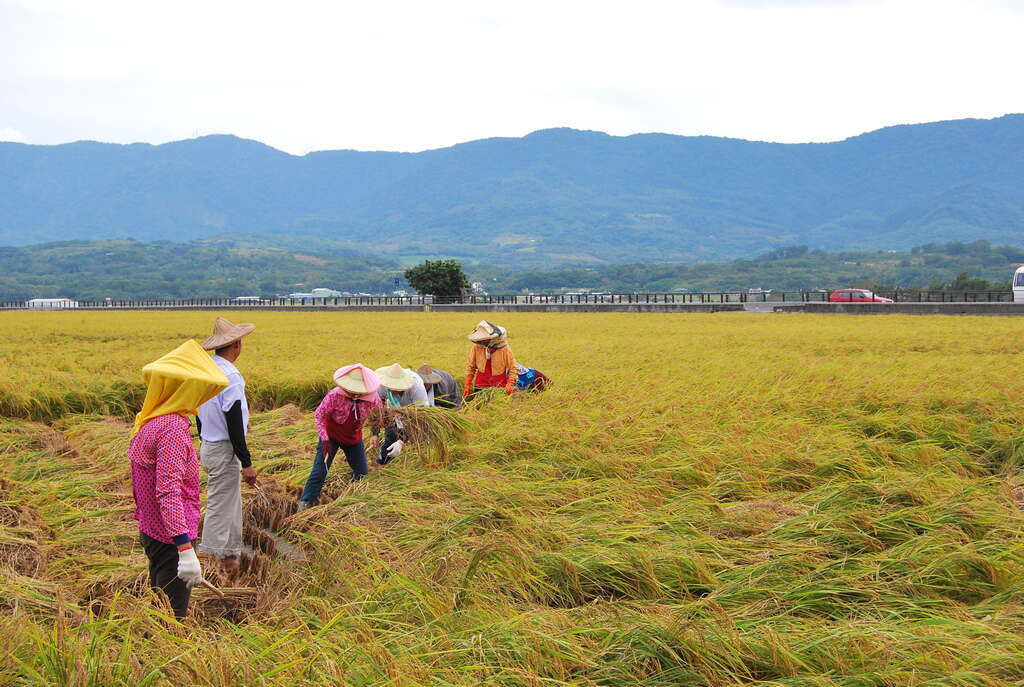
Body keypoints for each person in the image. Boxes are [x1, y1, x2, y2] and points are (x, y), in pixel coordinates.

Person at [129, 339, 228, 619]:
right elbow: (167, 492)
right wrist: (184, 550)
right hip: (170, 534)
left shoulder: (151, 420)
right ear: (185, 389)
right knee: (173, 616)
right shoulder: (171, 427)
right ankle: (166, 659)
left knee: (160, 606)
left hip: (153, 530)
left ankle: (151, 652)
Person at [196, 317, 257, 575]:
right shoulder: (230, 375)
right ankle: (209, 563)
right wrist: (247, 462)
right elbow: (233, 420)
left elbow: (197, 412)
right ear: (237, 346)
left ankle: (230, 558)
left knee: (231, 503)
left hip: (209, 445)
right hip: (223, 448)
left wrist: (204, 438)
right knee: (220, 505)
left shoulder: (205, 370)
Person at [297, 365, 383, 511]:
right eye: (352, 390)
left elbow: (377, 417)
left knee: (362, 473)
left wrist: (375, 434)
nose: (355, 393)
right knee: (320, 470)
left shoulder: (372, 399)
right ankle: (305, 503)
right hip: (331, 437)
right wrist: (324, 439)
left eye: (358, 390)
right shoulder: (335, 396)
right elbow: (319, 415)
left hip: (353, 438)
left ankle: (355, 503)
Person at [374, 363, 429, 465]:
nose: (391, 390)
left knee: (420, 439)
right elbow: (376, 408)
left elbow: (420, 418)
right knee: (390, 434)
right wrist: (375, 433)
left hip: (413, 411)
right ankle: (384, 461)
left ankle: (418, 462)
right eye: (389, 387)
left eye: (395, 387)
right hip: (394, 408)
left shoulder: (416, 387)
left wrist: (401, 442)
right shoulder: (383, 384)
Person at [463, 320, 517, 400]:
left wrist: (510, 384)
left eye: (484, 339)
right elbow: (471, 367)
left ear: (492, 338)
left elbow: (513, 368)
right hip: (480, 385)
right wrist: (468, 384)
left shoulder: (505, 349)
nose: (482, 341)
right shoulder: (476, 348)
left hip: (499, 386)